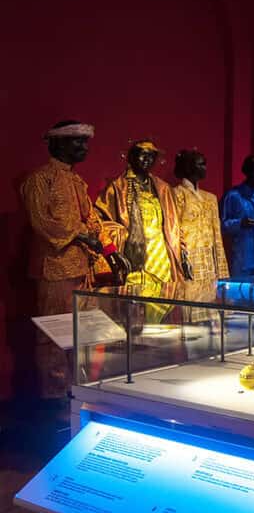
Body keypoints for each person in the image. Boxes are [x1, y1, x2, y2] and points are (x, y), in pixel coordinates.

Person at [21, 120, 127, 398]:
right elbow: (42, 223)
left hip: (83, 269)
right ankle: (55, 395)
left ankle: (82, 390)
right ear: (57, 144)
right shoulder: (39, 180)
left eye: (85, 142)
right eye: (76, 141)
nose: (84, 147)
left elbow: (92, 221)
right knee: (55, 335)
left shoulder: (77, 182)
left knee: (85, 334)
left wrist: (110, 251)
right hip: (55, 269)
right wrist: (83, 238)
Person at [95, 139, 185, 324]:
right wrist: (120, 239)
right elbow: (100, 221)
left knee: (162, 296)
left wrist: (182, 251)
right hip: (133, 254)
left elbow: (175, 224)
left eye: (151, 156)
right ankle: (134, 336)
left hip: (161, 253)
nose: (146, 159)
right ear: (131, 157)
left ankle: (155, 334)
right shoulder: (117, 188)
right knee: (133, 301)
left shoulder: (163, 188)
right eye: (141, 154)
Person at [172, 149, 229, 317]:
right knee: (190, 306)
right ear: (189, 167)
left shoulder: (210, 198)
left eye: (205, 164)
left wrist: (221, 267)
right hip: (189, 256)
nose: (204, 168)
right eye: (200, 164)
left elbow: (217, 235)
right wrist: (181, 258)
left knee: (210, 307)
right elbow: (174, 230)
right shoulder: (176, 194)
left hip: (208, 259)